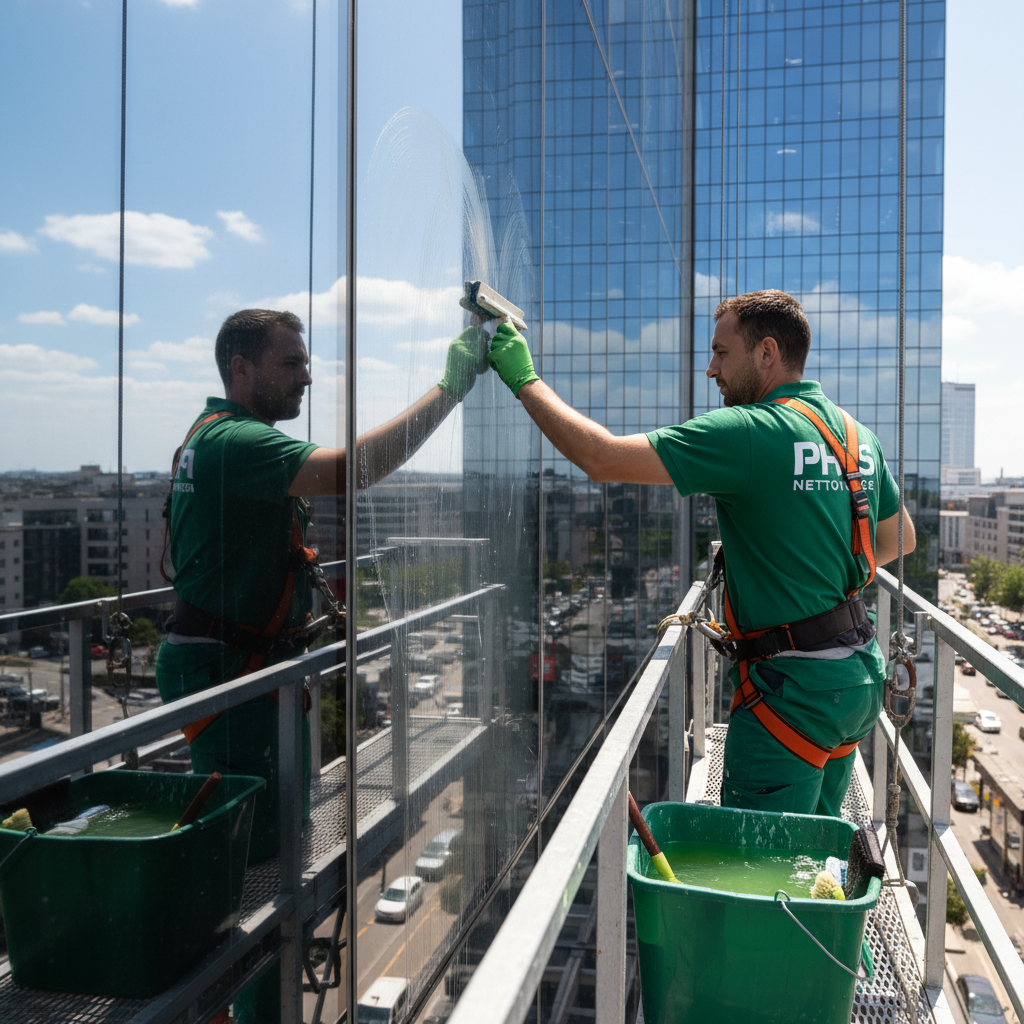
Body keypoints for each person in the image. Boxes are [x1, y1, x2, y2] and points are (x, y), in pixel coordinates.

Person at [155, 307, 487, 1024]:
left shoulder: (209, 438)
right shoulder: (239, 444)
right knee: (258, 871)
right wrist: (450, 388)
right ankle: (249, 1010)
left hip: (234, 666)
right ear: (240, 370)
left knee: (269, 850)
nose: (307, 373)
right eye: (290, 362)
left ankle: (250, 1003)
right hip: (230, 673)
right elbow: (352, 470)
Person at [486, 288, 915, 817]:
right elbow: (900, 540)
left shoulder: (750, 432)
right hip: (855, 679)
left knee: (759, 870)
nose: (711, 370)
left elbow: (599, 458)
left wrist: (524, 381)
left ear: (767, 353)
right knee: (816, 855)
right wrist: (800, 556)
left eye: (721, 352)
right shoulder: (857, 437)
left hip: (793, 691)